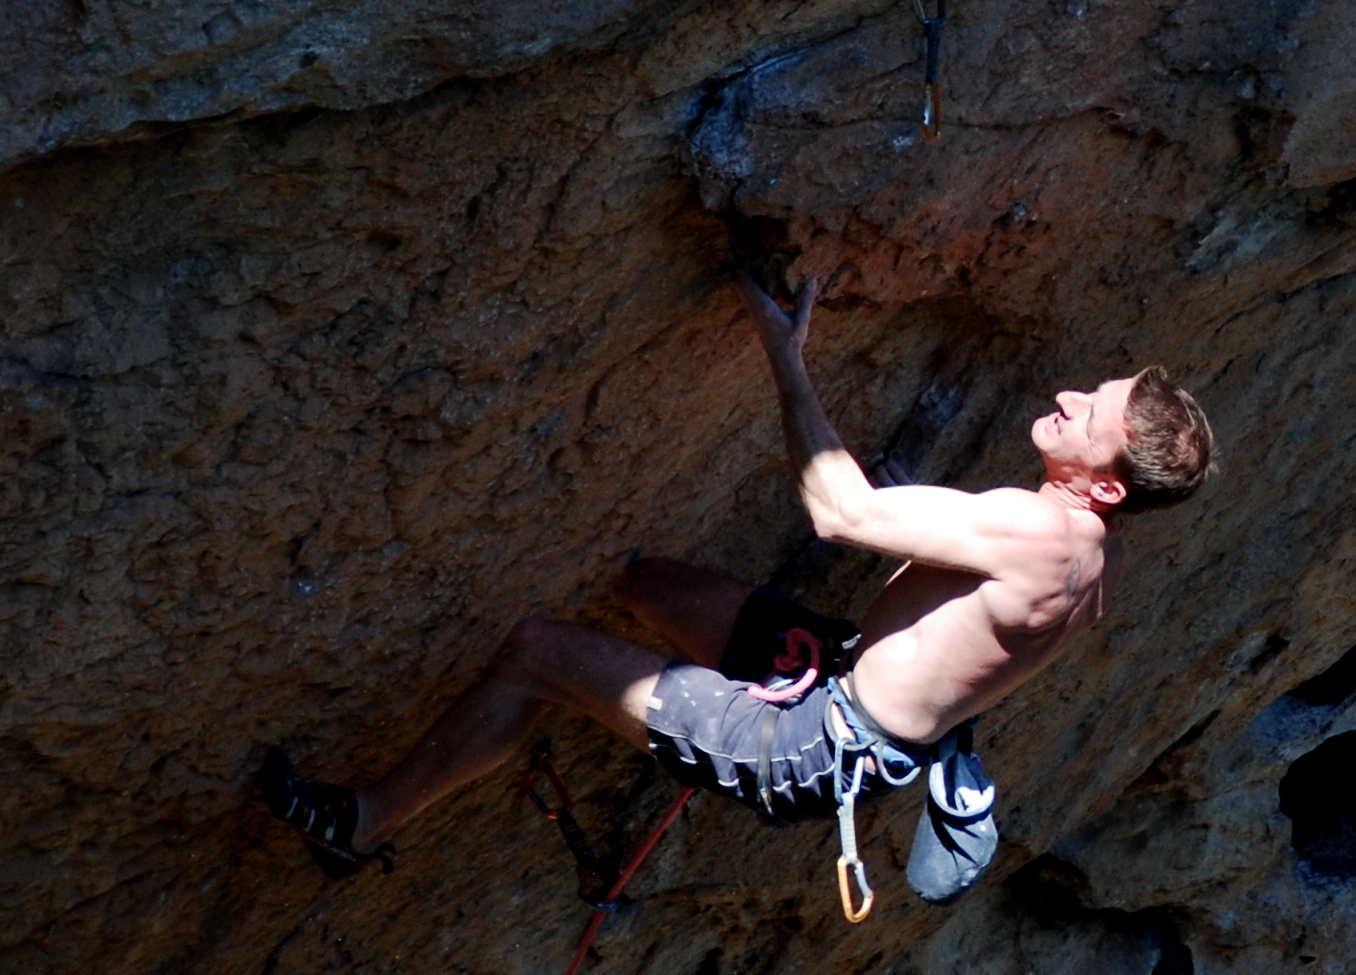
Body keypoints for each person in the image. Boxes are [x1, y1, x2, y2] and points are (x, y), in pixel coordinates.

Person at [261, 273, 1218, 912]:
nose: (1070, 397)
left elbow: (840, 513)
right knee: (645, 584)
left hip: (802, 744)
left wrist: (784, 354)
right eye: (1094, 388)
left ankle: (363, 823)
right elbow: (963, 616)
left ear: (1104, 487)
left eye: (1090, 414)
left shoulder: (1040, 530)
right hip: (836, 680)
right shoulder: (1095, 557)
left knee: (535, 650)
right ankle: (597, 689)